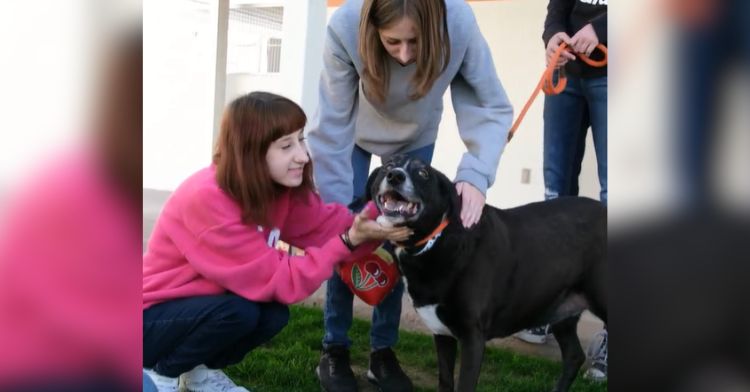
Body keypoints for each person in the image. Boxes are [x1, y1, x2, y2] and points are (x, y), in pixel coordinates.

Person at [142, 92, 411, 392]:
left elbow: (332, 228)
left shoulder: (277, 191)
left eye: (300, 139)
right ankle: (158, 373)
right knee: (239, 314)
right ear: (250, 152)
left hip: (195, 310)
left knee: (272, 315)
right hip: (147, 318)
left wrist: (389, 207)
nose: (303, 155)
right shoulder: (208, 199)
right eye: (286, 146)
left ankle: (197, 371)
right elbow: (280, 278)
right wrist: (348, 241)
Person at [307, 0, 513, 390]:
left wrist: (475, 173)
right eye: (392, 42)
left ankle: (382, 352)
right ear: (373, 29)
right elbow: (331, 125)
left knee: (401, 237)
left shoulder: (459, 22)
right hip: (352, 134)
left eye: (415, 42)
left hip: (417, 134)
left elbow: (489, 104)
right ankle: (334, 349)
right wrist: (340, 217)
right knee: (350, 234)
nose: (404, 56)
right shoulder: (345, 25)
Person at [515, 0, 608, 383]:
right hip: (566, 76)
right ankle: (550, 311)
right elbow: (557, 7)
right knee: (555, 199)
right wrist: (552, 36)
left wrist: (602, 30)